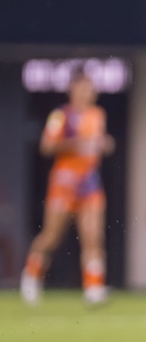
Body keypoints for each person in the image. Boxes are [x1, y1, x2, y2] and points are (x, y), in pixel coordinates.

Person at [21, 67, 115, 306]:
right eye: (83, 87)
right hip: (64, 182)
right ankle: (31, 275)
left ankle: (94, 288)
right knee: (52, 235)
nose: (88, 92)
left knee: (93, 236)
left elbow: (99, 143)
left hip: (89, 182)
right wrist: (75, 144)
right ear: (72, 89)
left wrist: (105, 144)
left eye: (91, 88)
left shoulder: (98, 114)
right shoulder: (61, 116)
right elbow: (47, 145)